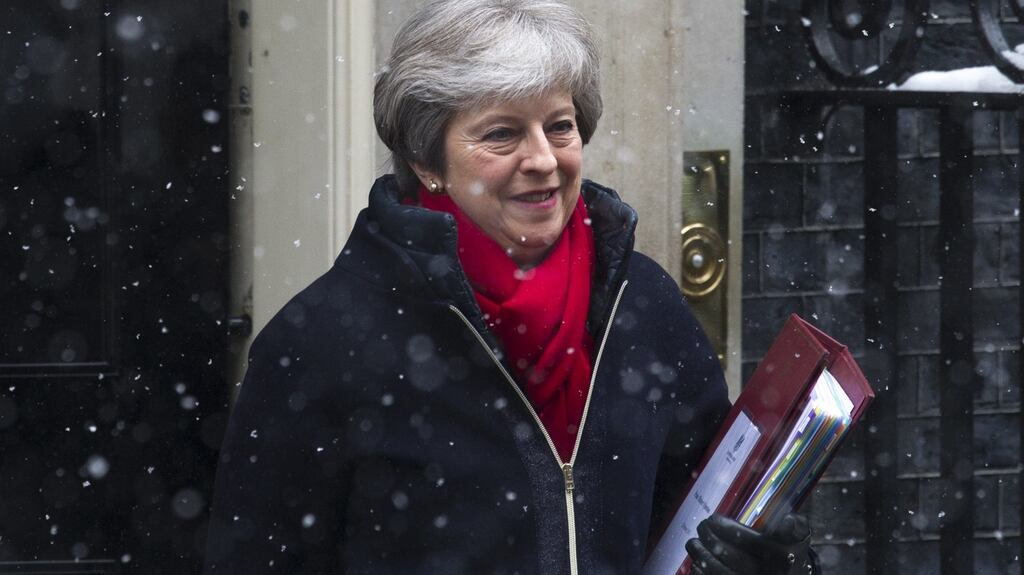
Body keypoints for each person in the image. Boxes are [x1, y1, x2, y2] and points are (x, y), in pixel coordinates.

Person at [203, 1, 818, 573]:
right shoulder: (322, 340)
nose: (544, 159)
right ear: (425, 161)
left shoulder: (644, 302)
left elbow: (704, 509)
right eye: (501, 134)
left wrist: (769, 559)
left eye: (560, 127)